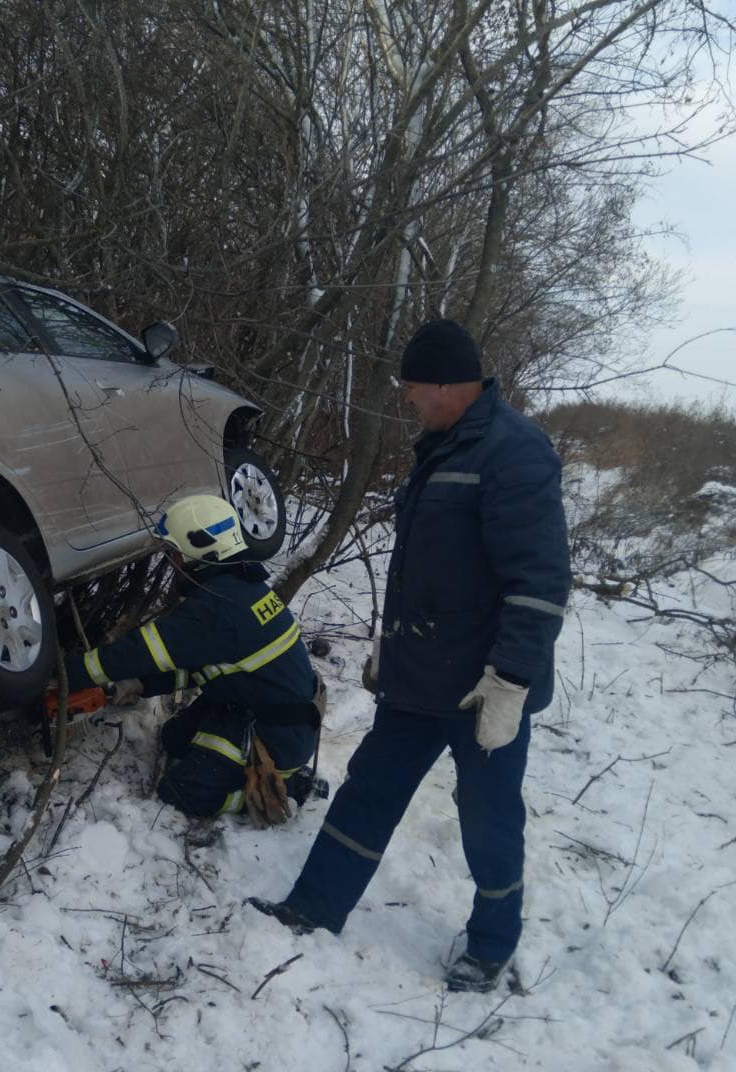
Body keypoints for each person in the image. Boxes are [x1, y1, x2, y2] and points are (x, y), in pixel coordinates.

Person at [248, 318, 570, 993]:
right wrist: (388, 653)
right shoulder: (447, 445)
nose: (408, 401)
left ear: (450, 386)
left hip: (483, 688)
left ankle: (490, 946)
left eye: (414, 388)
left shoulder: (514, 452)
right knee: (368, 793)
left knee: (488, 819)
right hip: (419, 679)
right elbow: (430, 573)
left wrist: (510, 680)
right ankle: (313, 907)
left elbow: (537, 584)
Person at [57, 494, 320, 827]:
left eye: (175, 553)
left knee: (181, 793)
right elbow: (202, 667)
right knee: (173, 740)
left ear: (203, 549)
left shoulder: (217, 607)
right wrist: (139, 684)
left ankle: (289, 784)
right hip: (252, 707)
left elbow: (142, 650)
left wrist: (70, 673)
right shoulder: (242, 588)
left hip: (274, 734)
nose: (173, 563)